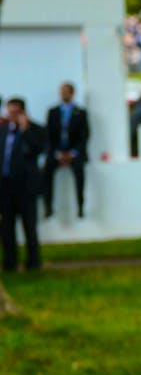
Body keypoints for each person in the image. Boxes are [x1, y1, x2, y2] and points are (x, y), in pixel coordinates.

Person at [1, 98, 47, 271]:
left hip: (26, 188)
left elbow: (39, 149)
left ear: (22, 112)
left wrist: (25, 129)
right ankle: (9, 262)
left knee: (29, 226)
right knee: (7, 228)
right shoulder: (3, 131)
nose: (11, 115)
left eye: (15, 112)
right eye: (9, 111)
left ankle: (33, 262)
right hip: (6, 188)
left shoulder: (35, 130)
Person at [43, 82, 90, 219]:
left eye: (66, 91)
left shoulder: (80, 112)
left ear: (72, 93)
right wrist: (57, 153)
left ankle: (80, 206)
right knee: (46, 171)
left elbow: (85, 135)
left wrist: (73, 153)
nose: (63, 94)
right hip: (57, 151)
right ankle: (48, 206)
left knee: (79, 172)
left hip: (74, 152)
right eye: (61, 91)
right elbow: (49, 135)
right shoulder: (53, 112)